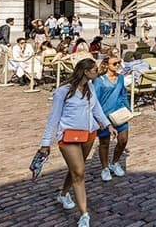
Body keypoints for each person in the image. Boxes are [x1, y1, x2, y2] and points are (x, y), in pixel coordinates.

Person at [38, 58, 116, 227]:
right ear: (86, 72)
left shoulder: (91, 88)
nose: (97, 72)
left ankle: (63, 193)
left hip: (88, 134)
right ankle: (84, 214)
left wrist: (107, 124)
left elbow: (97, 110)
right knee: (79, 172)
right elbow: (53, 119)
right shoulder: (63, 91)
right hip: (68, 136)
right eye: (94, 70)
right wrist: (45, 143)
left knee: (76, 170)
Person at [93, 56, 130, 181]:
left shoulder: (120, 78)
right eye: (114, 63)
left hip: (120, 113)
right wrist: (97, 117)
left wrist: (128, 109)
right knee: (104, 143)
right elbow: (96, 99)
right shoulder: (99, 80)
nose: (117, 66)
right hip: (105, 115)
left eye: (118, 63)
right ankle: (104, 167)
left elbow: (123, 94)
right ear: (107, 65)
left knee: (123, 140)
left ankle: (114, 162)